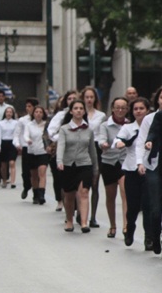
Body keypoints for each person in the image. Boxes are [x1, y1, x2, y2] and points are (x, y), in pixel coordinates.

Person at [56, 100, 98, 233]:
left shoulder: (89, 130)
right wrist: (59, 161)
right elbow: (61, 146)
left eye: (81, 108)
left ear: (84, 111)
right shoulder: (64, 129)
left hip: (85, 164)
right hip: (68, 165)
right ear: (71, 111)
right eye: (76, 108)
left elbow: (92, 150)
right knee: (69, 195)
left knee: (84, 192)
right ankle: (69, 220)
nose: (78, 110)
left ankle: (84, 223)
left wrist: (95, 168)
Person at [115, 97, 149, 248]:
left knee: (148, 205)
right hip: (131, 169)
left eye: (141, 108)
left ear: (147, 110)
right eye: (136, 109)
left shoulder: (152, 126)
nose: (138, 111)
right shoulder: (128, 128)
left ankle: (149, 237)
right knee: (133, 205)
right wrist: (120, 143)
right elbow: (117, 140)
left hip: (149, 169)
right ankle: (130, 230)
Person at [96, 97, 128, 239]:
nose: (120, 110)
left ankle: (126, 225)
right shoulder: (105, 125)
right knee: (111, 195)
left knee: (125, 193)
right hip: (108, 162)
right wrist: (103, 144)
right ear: (112, 109)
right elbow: (101, 139)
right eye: (117, 107)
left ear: (127, 109)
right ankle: (113, 225)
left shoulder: (129, 125)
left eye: (123, 108)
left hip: (124, 162)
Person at [142, 85, 162, 258]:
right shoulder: (159, 116)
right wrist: (149, 142)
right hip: (157, 167)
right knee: (156, 210)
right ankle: (155, 236)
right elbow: (153, 132)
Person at [47, 90, 79, 211]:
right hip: (64, 151)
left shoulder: (83, 114)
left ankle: (79, 207)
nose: (72, 101)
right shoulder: (61, 115)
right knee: (64, 179)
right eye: (69, 99)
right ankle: (64, 203)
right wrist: (63, 139)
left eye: (74, 98)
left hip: (80, 152)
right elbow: (51, 132)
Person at [81, 86, 106, 229]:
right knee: (81, 183)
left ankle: (93, 217)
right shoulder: (78, 112)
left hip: (96, 147)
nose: (89, 100)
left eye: (91, 97)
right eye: (87, 97)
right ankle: (81, 212)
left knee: (95, 183)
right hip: (82, 146)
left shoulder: (101, 115)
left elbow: (102, 132)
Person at [23, 106, 48, 204]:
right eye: (36, 112)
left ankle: (42, 195)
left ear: (43, 114)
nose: (38, 114)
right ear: (33, 114)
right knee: (34, 175)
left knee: (42, 172)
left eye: (40, 112)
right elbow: (25, 135)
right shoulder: (29, 125)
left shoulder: (46, 124)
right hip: (32, 152)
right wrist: (28, 140)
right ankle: (35, 194)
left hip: (43, 152)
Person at [14, 98, 37, 199]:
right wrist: (17, 144)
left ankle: (37, 194)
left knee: (37, 172)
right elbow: (17, 134)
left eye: (30, 106)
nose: (27, 108)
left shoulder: (40, 120)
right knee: (26, 172)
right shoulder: (22, 120)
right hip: (26, 148)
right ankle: (27, 187)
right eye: (26, 106)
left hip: (38, 148)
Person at [0, 106, 18, 189]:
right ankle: (4, 180)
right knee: (3, 164)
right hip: (3, 143)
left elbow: (16, 134)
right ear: (5, 113)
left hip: (12, 143)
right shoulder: (1, 123)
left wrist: (17, 144)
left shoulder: (15, 123)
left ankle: (13, 181)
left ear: (13, 114)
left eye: (10, 112)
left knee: (12, 162)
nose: (9, 113)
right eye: (7, 112)